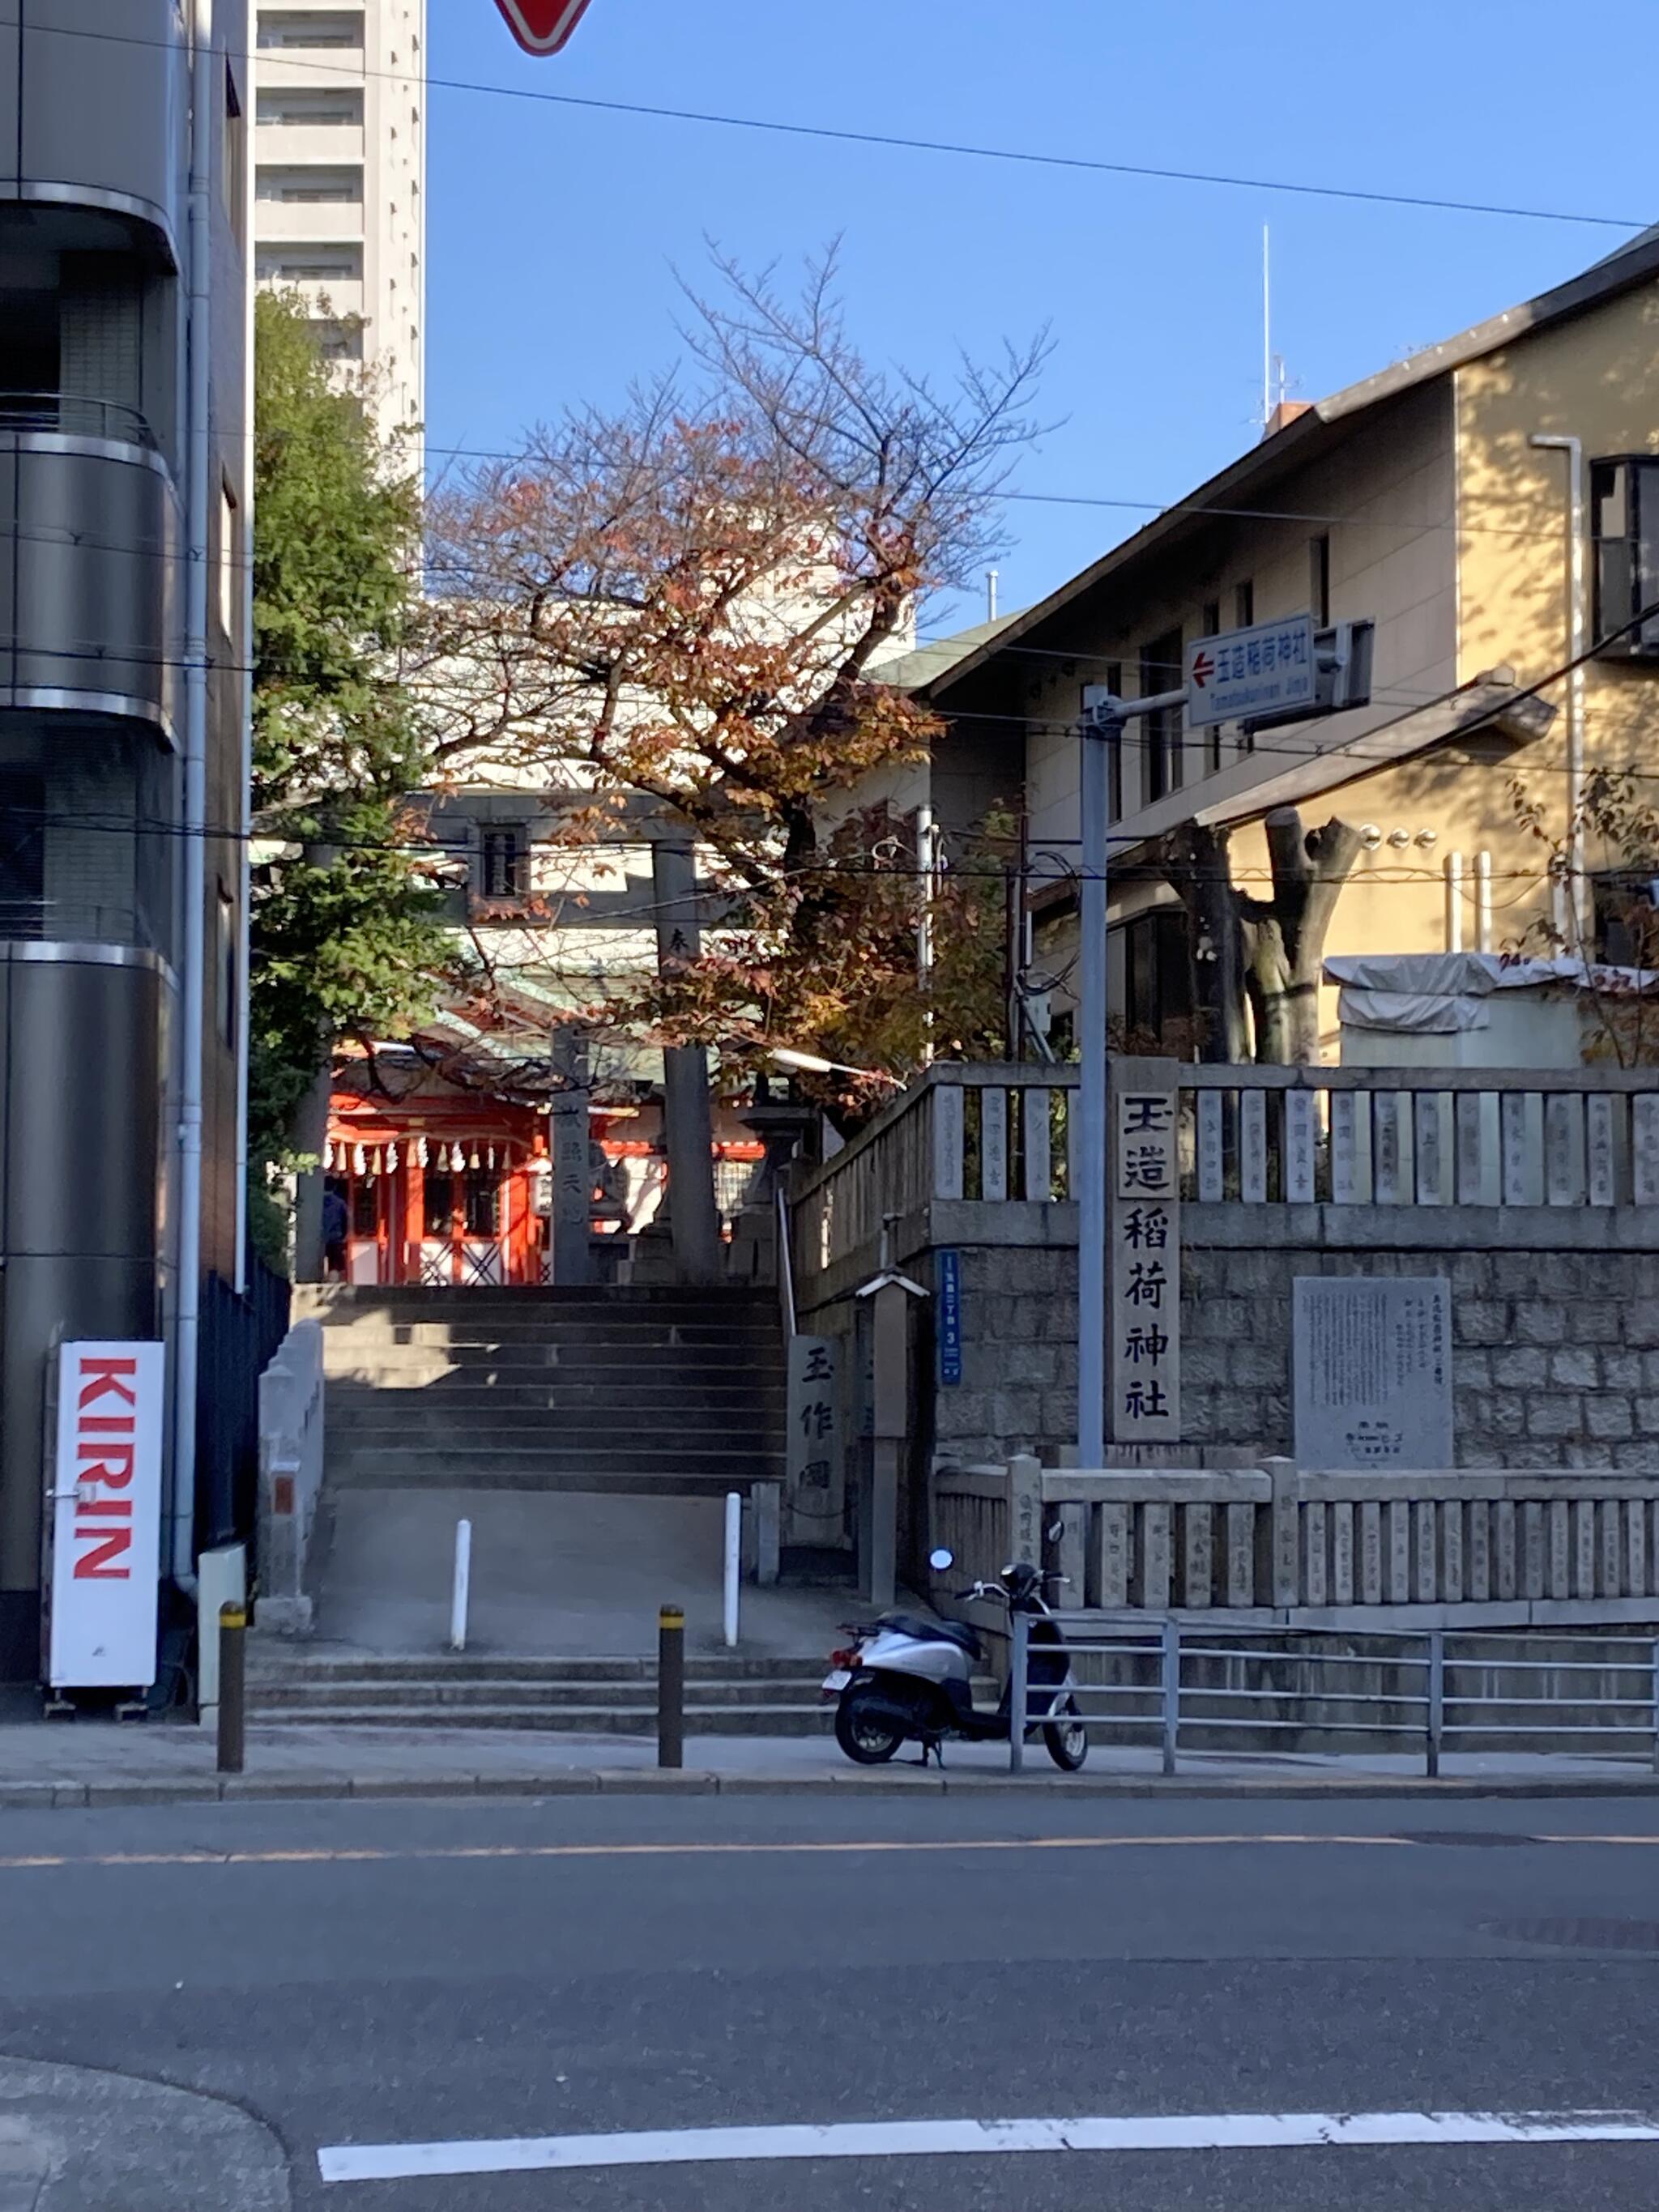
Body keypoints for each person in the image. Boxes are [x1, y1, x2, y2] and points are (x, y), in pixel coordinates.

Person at [322, 1183, 348, 1281]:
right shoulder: (340, 1203)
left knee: (324, 1260)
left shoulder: (317, 1202)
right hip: (336, 1237)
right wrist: (344, 1236)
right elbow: (346, 1221)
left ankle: (324, 1278)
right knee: (336, 1264)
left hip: (321, 1238)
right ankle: (335, 1283)